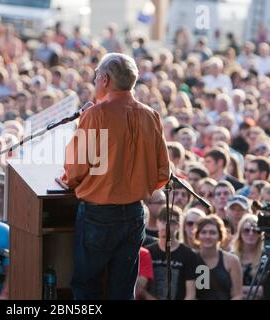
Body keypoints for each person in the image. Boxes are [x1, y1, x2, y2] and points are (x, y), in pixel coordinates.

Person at [61, 53, 170, 299]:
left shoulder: (96, 114)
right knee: (123, 289)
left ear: (106, 79)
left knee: (87, 287)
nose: (95, 80)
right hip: (134, 213)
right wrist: (135, 184)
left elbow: (76, 169)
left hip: (98, 214)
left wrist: (72, 182)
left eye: (97, 75)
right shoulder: (151, 116)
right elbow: (163, 173)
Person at [144, 206, 198, 300]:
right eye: (163, 220)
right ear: (157, 222)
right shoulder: (147, 252)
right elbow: (141, 290)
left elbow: (191, 294)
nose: (166, 225)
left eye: (171, 222)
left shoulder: (189, 254)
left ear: (178, 225)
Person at [195, 215, 243, 300]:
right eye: (203, 232)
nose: (208, 236)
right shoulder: (190, 259)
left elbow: (238, 295)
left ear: (220, 236)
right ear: (197, 235)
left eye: (212, 232)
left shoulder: (232, 261)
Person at [234, 214, 270, 299]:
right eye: (246, 230)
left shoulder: (267, 257)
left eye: (256, 230)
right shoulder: (230, 257)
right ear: (240, 233)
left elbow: (265, 291)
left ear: (261, 234)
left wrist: (238, 290)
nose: (251, 233)